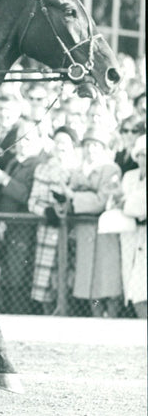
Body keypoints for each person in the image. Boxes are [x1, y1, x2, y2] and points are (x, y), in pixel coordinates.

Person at [0, 122, 46, 314]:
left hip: (24, 229)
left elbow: (30, 195)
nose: (22, 143)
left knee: (19, 279)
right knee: (6, 278)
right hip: (7, 228)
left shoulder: (38, 165)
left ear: (39, 141)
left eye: (28, 139)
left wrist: (4, 179)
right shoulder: (14, 162)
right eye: (19, 138)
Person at [66, 125, 123, 317]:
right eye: (88, 145)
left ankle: (112, 319)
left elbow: (102, 201)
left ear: (104, 148)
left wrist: (74, 196)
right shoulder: (77, 170)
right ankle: (96, 318)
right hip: (84, 232)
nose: (91, 150)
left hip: (105, 232)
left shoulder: (111, 169)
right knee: (88, 280)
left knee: (107, 278)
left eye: (96, 145)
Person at [27, 126, 79, 315]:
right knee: (46, 281)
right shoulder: (43, 169)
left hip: (73, 232)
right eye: (57, 142)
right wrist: (46, 211)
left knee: (69, 277)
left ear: (73, 145)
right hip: (49, 230)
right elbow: (32, 202)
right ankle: (49, 317)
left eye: (64, 142)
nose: (60, 146)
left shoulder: (79, 168)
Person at [116, 135, 146, 318]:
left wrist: (127, 203)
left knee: (143, 284)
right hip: (129, 233)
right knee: (131, 280)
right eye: (142, 154)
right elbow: (118, 201)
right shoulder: (129, 177)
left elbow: (135, 206)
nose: (145, 159)